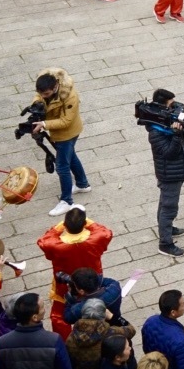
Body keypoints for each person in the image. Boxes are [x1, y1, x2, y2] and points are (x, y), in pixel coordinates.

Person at [35, 205, 114, 334]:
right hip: (92, 281)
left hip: (65, 285)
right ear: (84, 224)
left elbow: (43, 241)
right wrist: (88, 221)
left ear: (65, 225)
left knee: (58, 316)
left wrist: (58, 227)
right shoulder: (96, 239)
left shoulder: (56, 245)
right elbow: (106, 232)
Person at [142, 87, 184, 257]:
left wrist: (183, 124)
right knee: (169, 207)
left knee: (165, 202)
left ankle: (167, 229)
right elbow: (169, 153)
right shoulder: (156, 132)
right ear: (162, 106)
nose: (173, 107)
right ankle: (165, 243)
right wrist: (177, 135)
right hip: (169, 173)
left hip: (176, 170)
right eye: (171, 105)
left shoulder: (167, 121)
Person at [0, 294, 73, 369]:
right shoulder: (53, 340)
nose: (45, 309)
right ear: (34, 317)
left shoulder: (2, 342)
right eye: (42, 307)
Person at [32, 69, 89, 216]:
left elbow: (66, 121)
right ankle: (82, 184)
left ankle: (67, 202)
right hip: (58, 131)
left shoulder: (70, 97)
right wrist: (37, 105)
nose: (43, 97)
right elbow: (38, 96)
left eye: (46, 95)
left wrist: (44, 124)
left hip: (67, 133)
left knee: (62, 166)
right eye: (41, 94)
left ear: (55, 87)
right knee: (72, 157)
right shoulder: (45, 87)